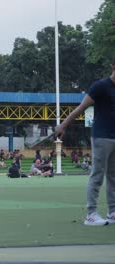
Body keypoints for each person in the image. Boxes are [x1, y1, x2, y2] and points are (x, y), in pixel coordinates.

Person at [55, 60, 115, 226]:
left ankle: (113, 212)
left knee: (113, 176)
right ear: (113, 68)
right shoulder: (100, 86)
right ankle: (91, 214)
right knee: (97, 174)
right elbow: (81, 108)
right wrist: (63, 125)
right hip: (102, 137)